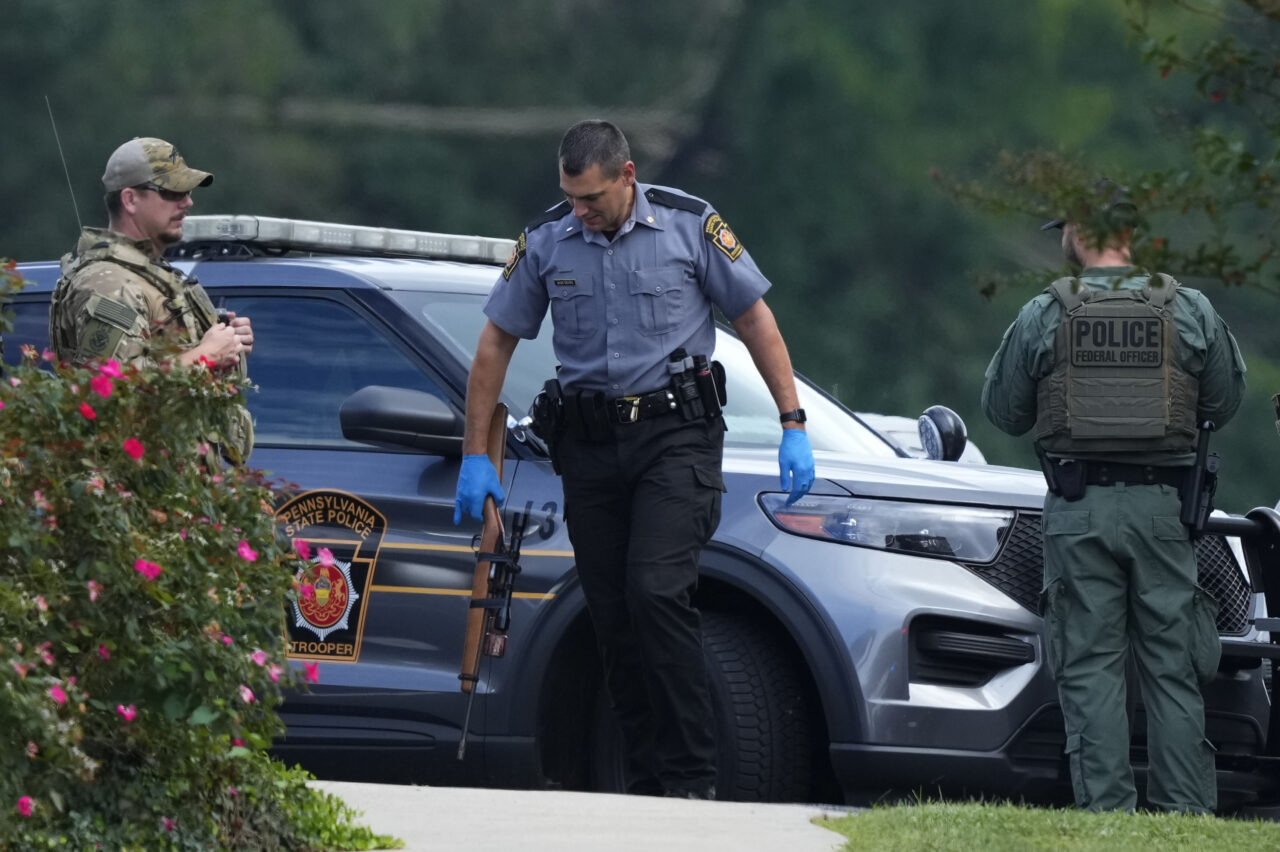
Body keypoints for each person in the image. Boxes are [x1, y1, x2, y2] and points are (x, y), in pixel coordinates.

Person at [454, 119, 815, 799]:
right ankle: (647, 779)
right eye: (570, 196)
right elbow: (495, 344)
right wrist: (477, 455)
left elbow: (756, 318)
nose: (580, 211)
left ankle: (692, 775)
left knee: (655, 591)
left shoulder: (689, 225)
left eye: (590, 197)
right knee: (613, 612)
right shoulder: (547, 239)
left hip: (675, 438)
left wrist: (792, 420)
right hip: (589, 446)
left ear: (626, 176)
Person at [981, 183, 1247, 813]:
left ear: (1078, 231)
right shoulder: (1189, 308)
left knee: (1090, 669)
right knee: (1173, 666)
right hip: (1164, 512)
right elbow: (1225, 401)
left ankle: (1107, 819)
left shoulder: (1047, 311)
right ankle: (1185, 815)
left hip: (1080, 512)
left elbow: (1003, 411)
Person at [49, 137, 254, 462]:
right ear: (130, 199)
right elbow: (112, 400)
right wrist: (205, 356)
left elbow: (225, 441)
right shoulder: (110, 284)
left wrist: (228, 350)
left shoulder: (156, 278)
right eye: (172, 192)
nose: (187, 203)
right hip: (134, 498)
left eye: (187, 192)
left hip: (175, 496)